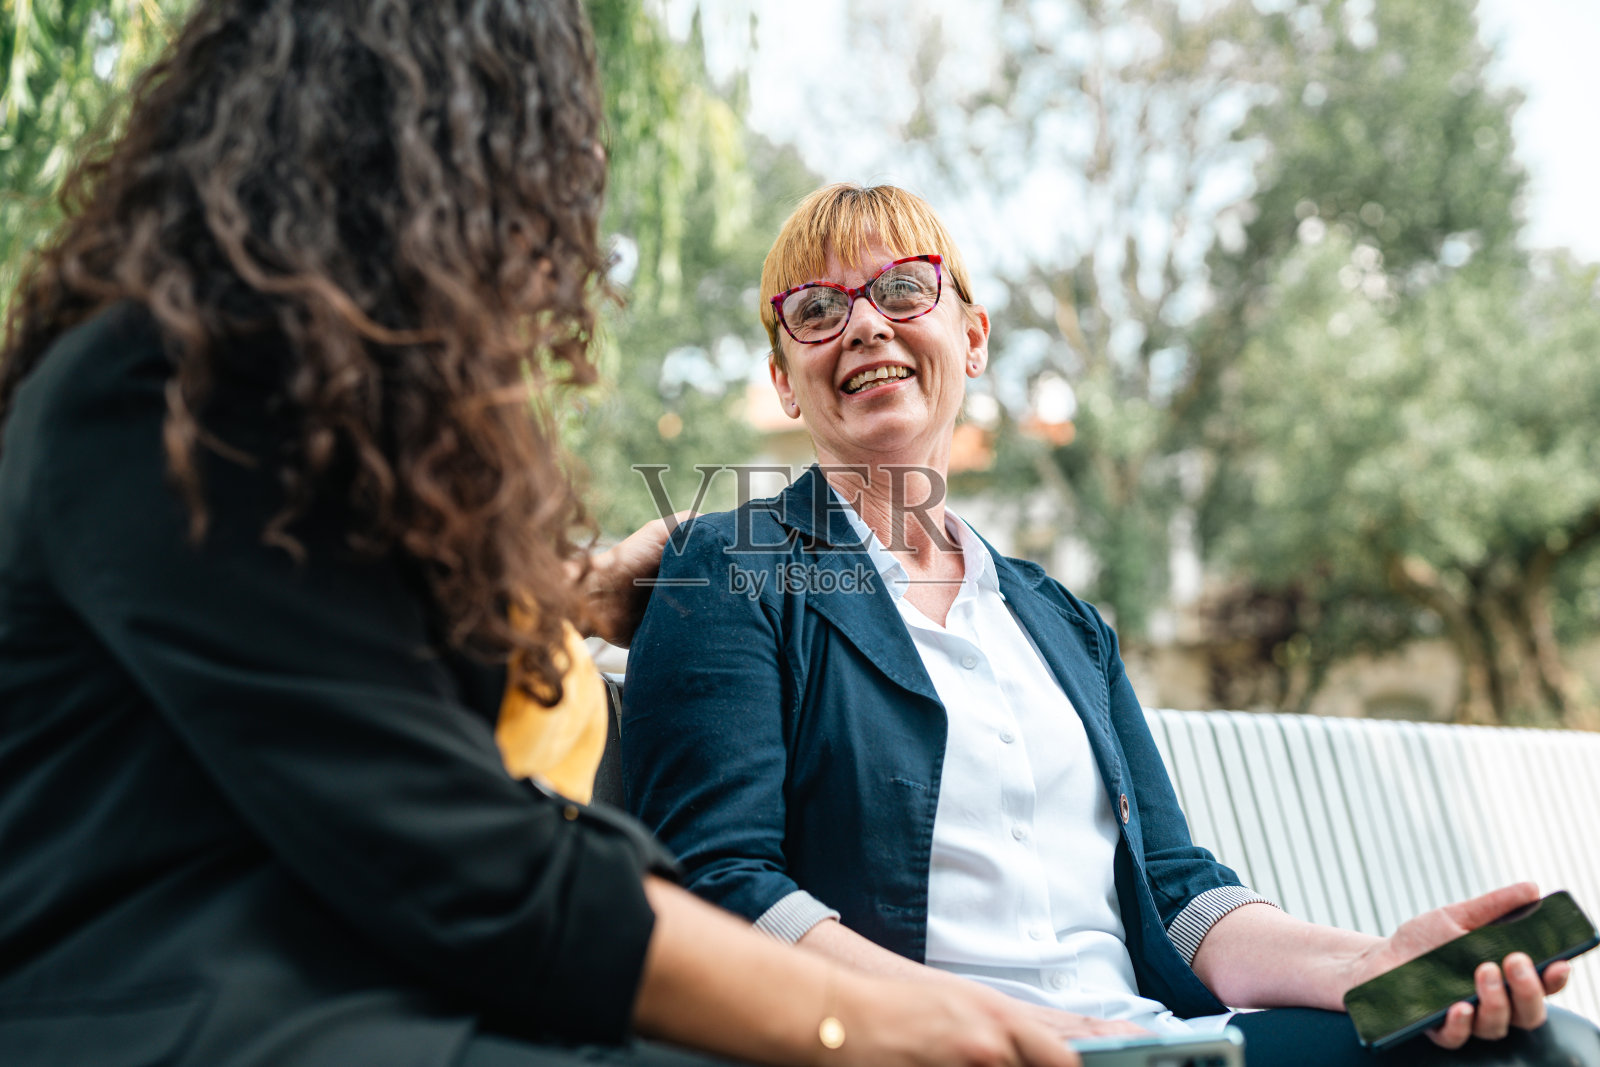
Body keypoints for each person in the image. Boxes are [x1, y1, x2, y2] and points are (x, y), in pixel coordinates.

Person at [0, 8, 1085, 1067]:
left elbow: (348, 646)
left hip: (347, 979)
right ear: (401, 155)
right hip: (180, 1000)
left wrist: (574, 589)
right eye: (524, 157)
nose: (550, 227)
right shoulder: (162, 394)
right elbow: (454, 842)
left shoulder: (309, 415)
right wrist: (859, 1021)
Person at [618, 183, 1597, 1067]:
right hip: (924, 1048)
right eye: (817, 311)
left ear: (972, 336)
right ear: (784, 380)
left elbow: (1174, 889)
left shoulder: (1061, 621)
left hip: (1151, 1042)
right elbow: (720, 880)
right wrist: (986, 1021)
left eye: (904, 289)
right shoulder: (730, 566)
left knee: (1536, 1044)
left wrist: (1370, 962)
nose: (866, 324)